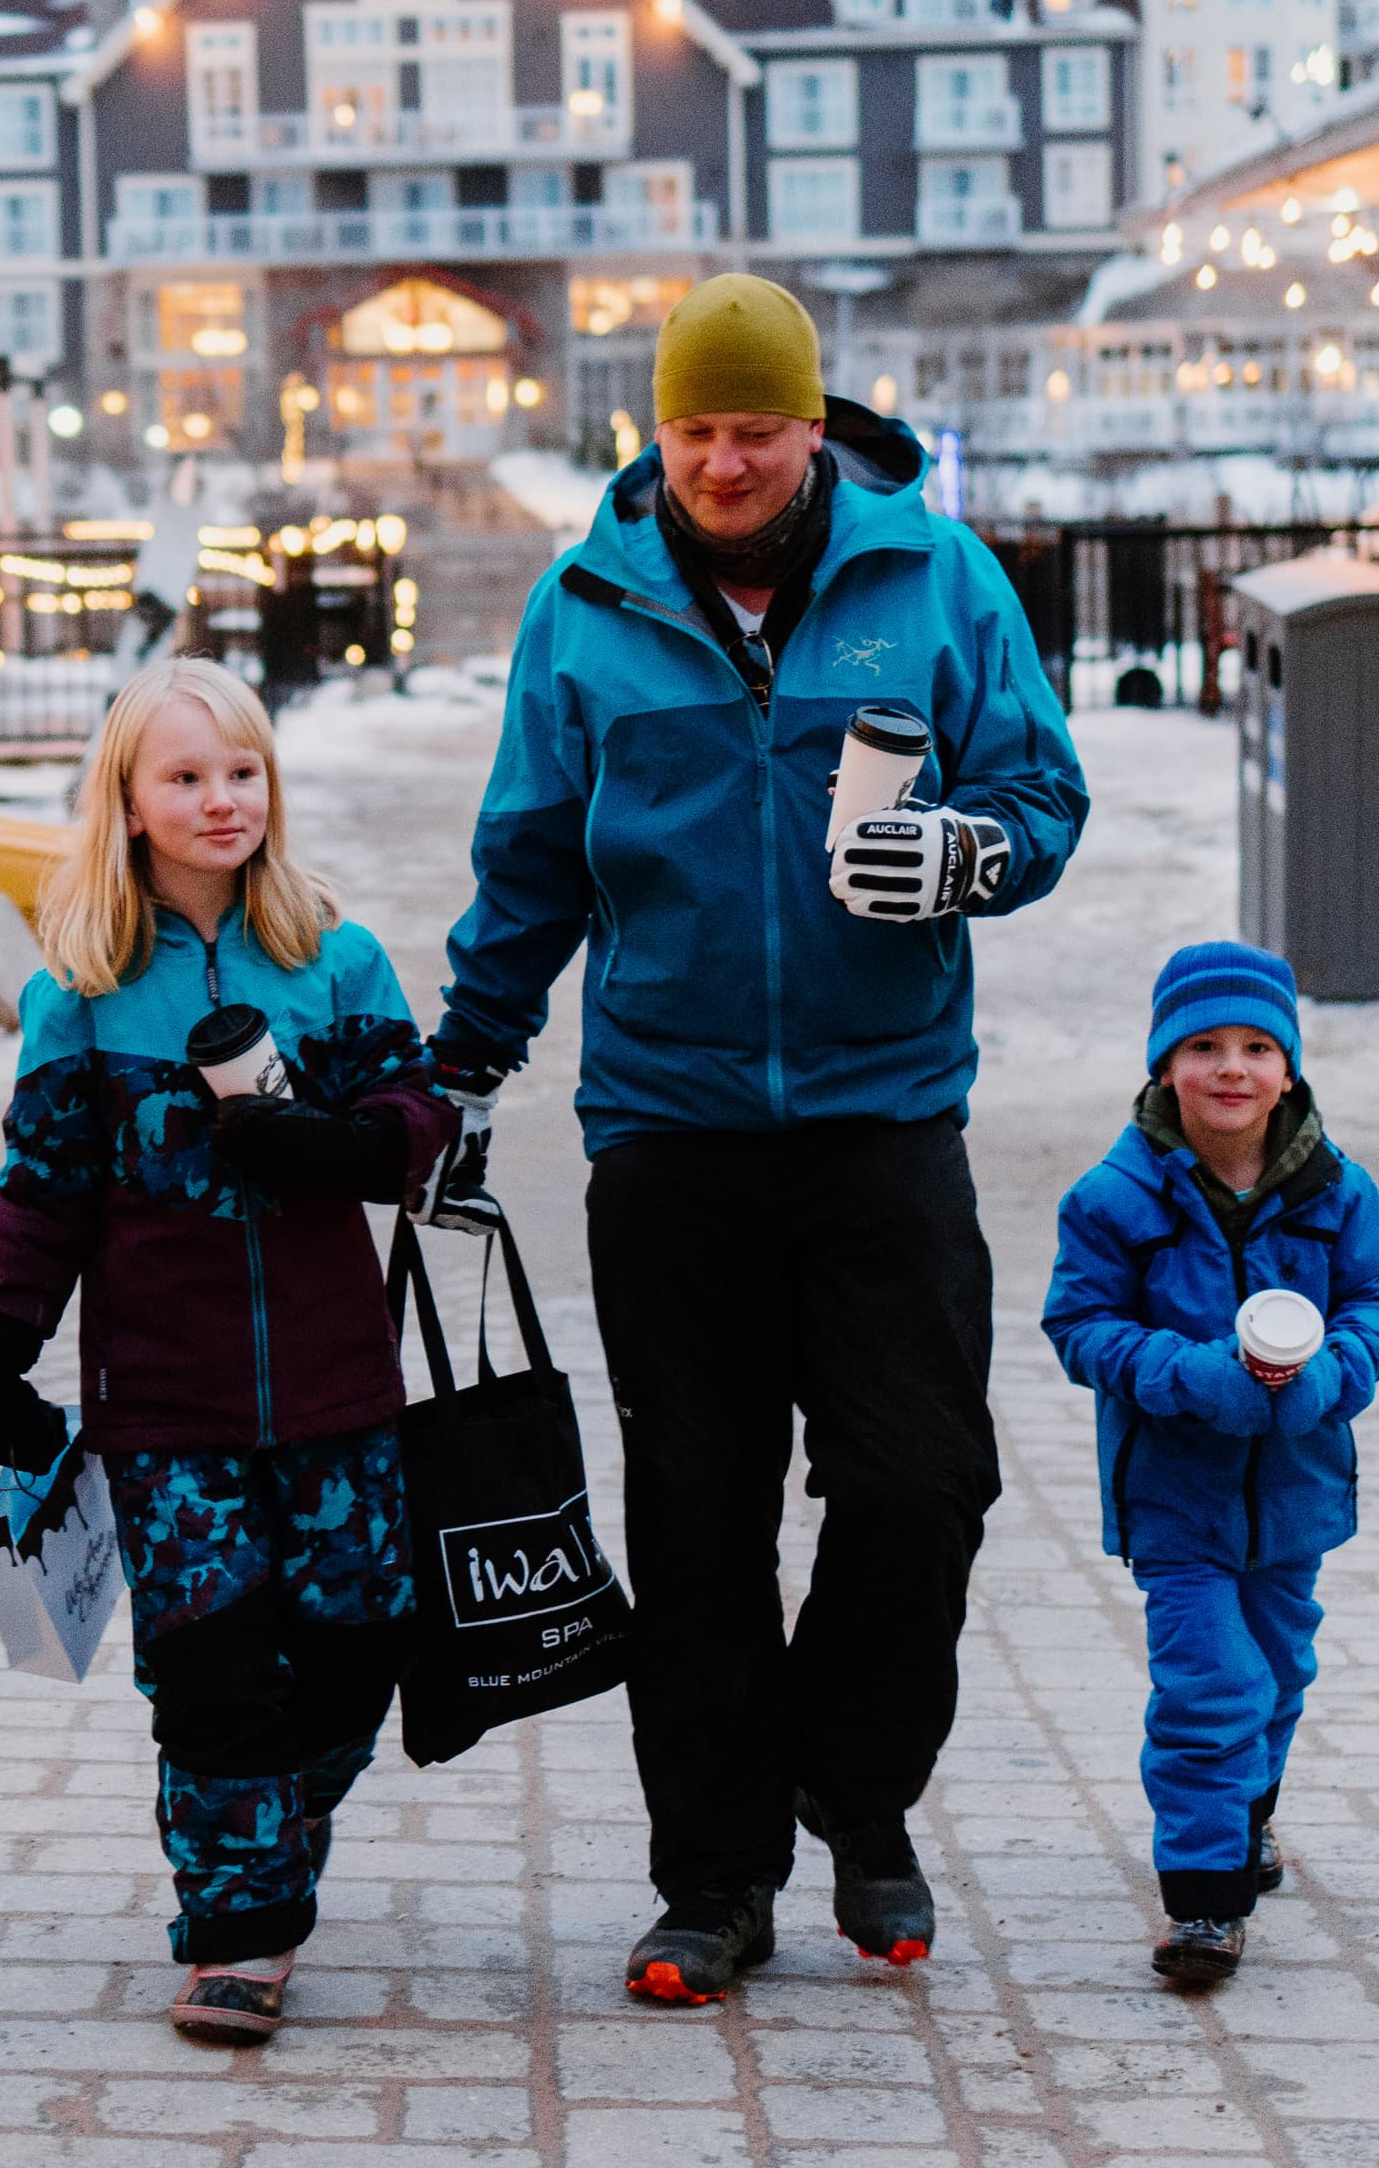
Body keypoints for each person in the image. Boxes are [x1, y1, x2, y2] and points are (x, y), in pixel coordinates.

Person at [425, 273, 1088, 2005]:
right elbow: (531, 862)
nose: (725, 461)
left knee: (920, 1484)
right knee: (699, 1523)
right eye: (695, 430)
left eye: (756, 428)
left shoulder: (935, 577)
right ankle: (713, 1881)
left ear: (815, 427)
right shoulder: (585, 608)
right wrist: (467, 1064)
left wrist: (965, 857)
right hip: (669, 1134)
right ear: (659, 432)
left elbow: (1042, 797)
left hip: (884, 1122)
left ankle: (852, 1793)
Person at [0, 658, 454, 2047]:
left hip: (336, 1381)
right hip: (164, 1400)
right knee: (216, 1662)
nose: (219, 798)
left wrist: (353, 1144)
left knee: (355, 1643)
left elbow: (421, 1111)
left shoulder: (330, 955)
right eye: (184, 776)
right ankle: (242, 1931)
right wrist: (3, 1342)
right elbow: (42, 1179)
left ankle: (268, 1833)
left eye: (241, 772)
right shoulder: (87, 986)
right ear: (125, 802)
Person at [1040, 944, 1379, 1988]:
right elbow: (1080, 1324)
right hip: (1178, 1497)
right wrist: (1197, 1373)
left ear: (1289, 1069)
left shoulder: (1338, 1189)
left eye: (1256, 1046)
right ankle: (1205, 1900)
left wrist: (1336, 1368)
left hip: (1296, 1489)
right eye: (1203, 1046)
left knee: (1280, 1669)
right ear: (1165, 1065)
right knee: (1212, 1683)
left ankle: (1246, 1816)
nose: (1231, 1068)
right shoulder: (1116, 1195)